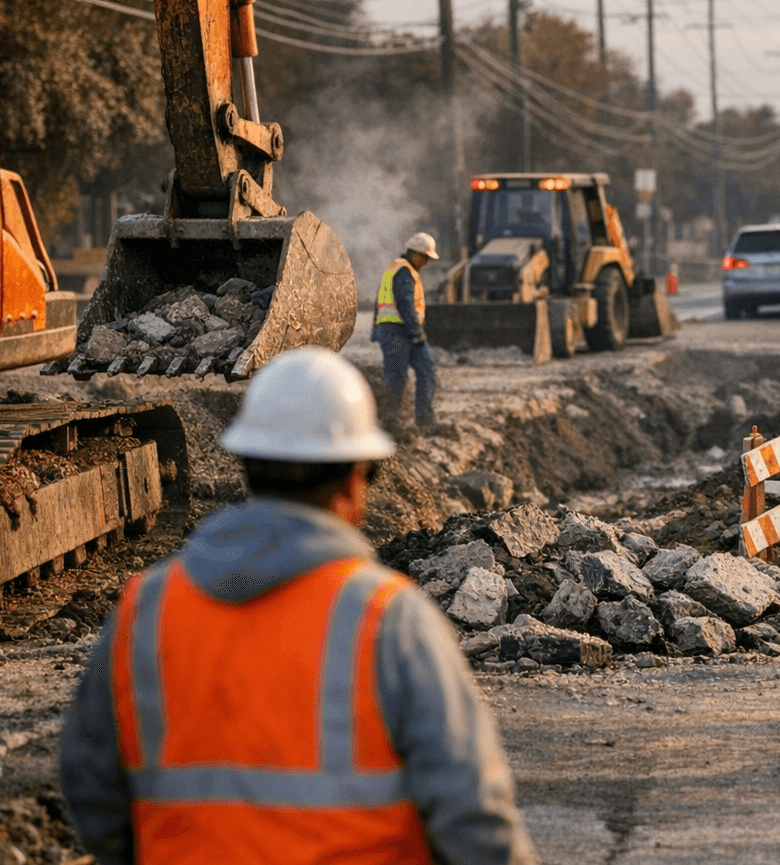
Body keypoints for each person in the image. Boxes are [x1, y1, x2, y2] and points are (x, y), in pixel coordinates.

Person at [58, 347, 536, 865]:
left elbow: (90, 784)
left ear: (245, 471)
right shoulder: (388, 619)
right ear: (357, 480)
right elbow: (474, 817)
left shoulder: (147, 609)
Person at [374, 232, 439, 428]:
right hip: (397, 332)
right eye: (426, 258)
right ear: (417, 254)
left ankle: (424, 419)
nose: (426, 263)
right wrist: (417, 332)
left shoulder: (399, 270)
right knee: (398, 376)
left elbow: (380, 301)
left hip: (402, 331)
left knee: (426, 370)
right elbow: (405, 304)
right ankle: (391, 420)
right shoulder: (403, 272)